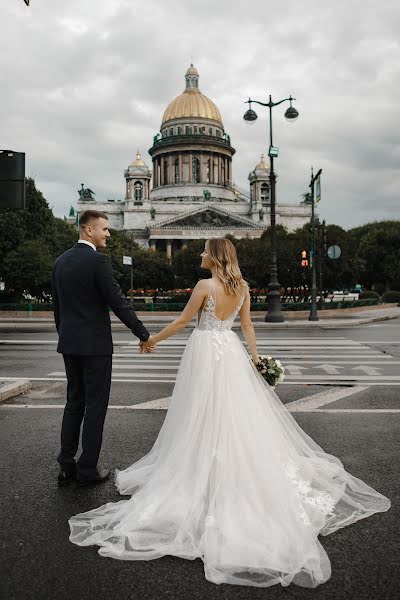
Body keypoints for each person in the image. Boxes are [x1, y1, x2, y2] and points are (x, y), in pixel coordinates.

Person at [68, 237, 390, 588]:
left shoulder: (205, 285)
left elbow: (183, 322)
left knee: (198, 415)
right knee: (235, 417)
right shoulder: (243, 288)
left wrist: (151, 340)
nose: (200, 254)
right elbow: (248, 326)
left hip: (205, 352)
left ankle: (200, 471)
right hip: (231, 352)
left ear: (216, 257)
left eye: (205, 251)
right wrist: (254, 360)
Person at [52, 210, 153, 489]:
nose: (108, 234)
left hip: (70, 344)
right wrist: (142, 334)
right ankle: (87, 470)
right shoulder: (98, 261)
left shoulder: (60, 262)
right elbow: (118, 303)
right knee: (95, 406)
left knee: (74, 402)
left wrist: (67, 336)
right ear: (88, 230)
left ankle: (65, 466)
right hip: (95, 346)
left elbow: (58, 308)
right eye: (105, 229)